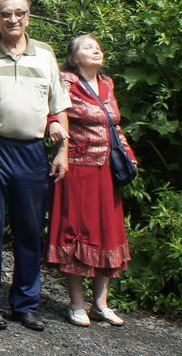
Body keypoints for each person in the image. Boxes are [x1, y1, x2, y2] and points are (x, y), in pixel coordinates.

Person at [0, 0, 70, 330]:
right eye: (5, 14)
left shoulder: (45, 55)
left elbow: (58, 106)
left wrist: (63, 149)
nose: (12, 19)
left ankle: (26, 303)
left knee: (30, 229)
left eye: (19, 13)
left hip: (32, 152)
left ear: (28, 17)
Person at [48, 34, 133, 327]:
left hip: (106, 170)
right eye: (88, 47)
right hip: (77, 168)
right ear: (74, 58)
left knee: (107, 233)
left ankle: (101, 303)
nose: (95, 50)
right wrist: (55, 128)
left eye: (97, 47)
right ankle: (76, 303)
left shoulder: (107, 84)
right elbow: (52, 112)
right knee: (76, 231)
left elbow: (114, 125)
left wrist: (128, 158)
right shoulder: (66, 83)